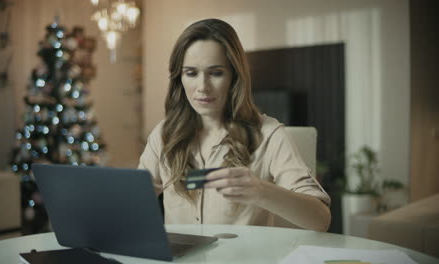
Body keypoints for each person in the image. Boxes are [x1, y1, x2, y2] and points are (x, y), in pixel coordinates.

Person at [138, 18, 331, 231]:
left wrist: (261, 191)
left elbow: (320, 220)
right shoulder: (164, 134)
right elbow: (132, 203)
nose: (202, 87)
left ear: (234, 76)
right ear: (179, 78)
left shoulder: (269, 134)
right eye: (191, 73)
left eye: (216, 73)